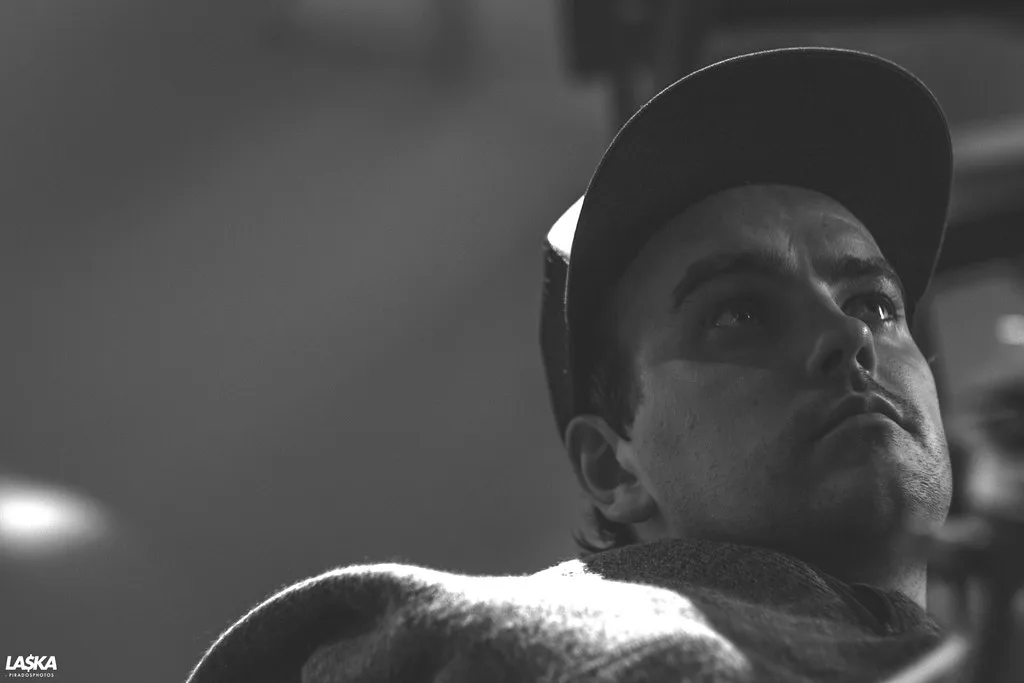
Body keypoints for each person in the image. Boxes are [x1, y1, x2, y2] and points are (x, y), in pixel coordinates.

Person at [185, 47, 961, 683]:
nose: (846, 335)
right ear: (611, 464)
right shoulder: (486, 639)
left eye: (874, 304)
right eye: (740, 314)